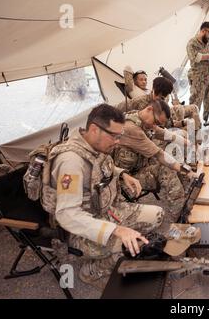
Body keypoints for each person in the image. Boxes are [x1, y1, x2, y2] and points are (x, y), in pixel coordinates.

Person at [40, 104, 165, 289]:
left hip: (106, 211)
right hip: (79, 229)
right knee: (131, 246)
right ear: (94, 129)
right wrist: (116, 230)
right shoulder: (71, 162)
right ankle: (91, 271)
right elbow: (67, 214)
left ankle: (117, 243)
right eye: (114, 136)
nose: (117, 141)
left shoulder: (93, 145)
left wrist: (122, 174)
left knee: (157, 215)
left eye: (119, 136)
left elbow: (98, 168)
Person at [113, 99, 198, 226]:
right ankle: (179, 217)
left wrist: (189, 142)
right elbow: (160, 155)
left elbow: (164, 133)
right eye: (156, 122)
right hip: (125, 179)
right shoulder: (132, 128)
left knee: (174, 158)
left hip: (137, 168)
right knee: (167, 168)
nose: (155, 125)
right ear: (149, 109)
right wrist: (187, 171)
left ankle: (187, 198)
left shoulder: (141, 118)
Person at [186, 21, 209, 122]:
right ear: (203, 30)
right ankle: (192, 127)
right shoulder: (192, 43)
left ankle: (207, 123)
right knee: (195, 104)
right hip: (198, 79)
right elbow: (195, 57)